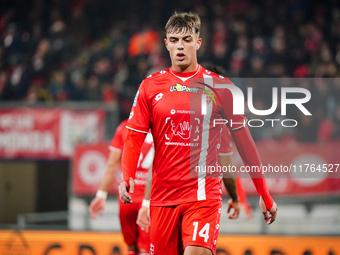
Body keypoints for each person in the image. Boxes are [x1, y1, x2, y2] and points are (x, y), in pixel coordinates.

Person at [119, 12, 278, 255]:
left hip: (202, 196)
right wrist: (127, 175)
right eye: (174, 40)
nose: (180, 46)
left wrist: (264, 194)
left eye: (186, 39)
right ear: (166, 44)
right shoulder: (150, 86)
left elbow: (245, 145)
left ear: (198, 42)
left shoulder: (222, 88)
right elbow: (134, 137)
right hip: (162, 200)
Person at [88, 119, 153, 255]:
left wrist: (101, 195)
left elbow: (112, 165)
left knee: (131, 248)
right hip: (150, 200)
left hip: (127, 198)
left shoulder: (124, 127)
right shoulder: (163, 125)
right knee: (146, 249)